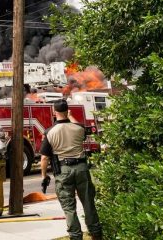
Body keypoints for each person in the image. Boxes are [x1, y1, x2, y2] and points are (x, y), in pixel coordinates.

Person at [40, 99, 103, 240]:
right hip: (81, 168)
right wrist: (71, 115)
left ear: (54, 112)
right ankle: (96, 235)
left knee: (69, 207)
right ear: (67, 111)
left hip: (63, 171)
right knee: (88, 203)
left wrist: (44, 176)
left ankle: (75, 237)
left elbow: (44, 158)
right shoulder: (79, 129)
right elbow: (78, 125)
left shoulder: (50, 132)